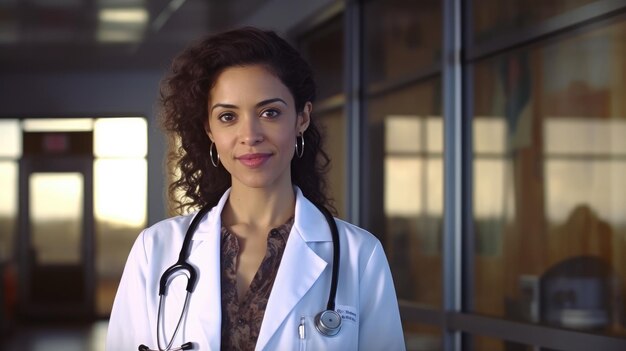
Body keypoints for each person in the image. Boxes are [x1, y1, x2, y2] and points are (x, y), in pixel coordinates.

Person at [106, 27, 405, 351]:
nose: (250, 135)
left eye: (269, 112)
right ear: (209, 129)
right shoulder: (157, 249)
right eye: (228, 116)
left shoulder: (359, 255)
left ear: (302, 118)